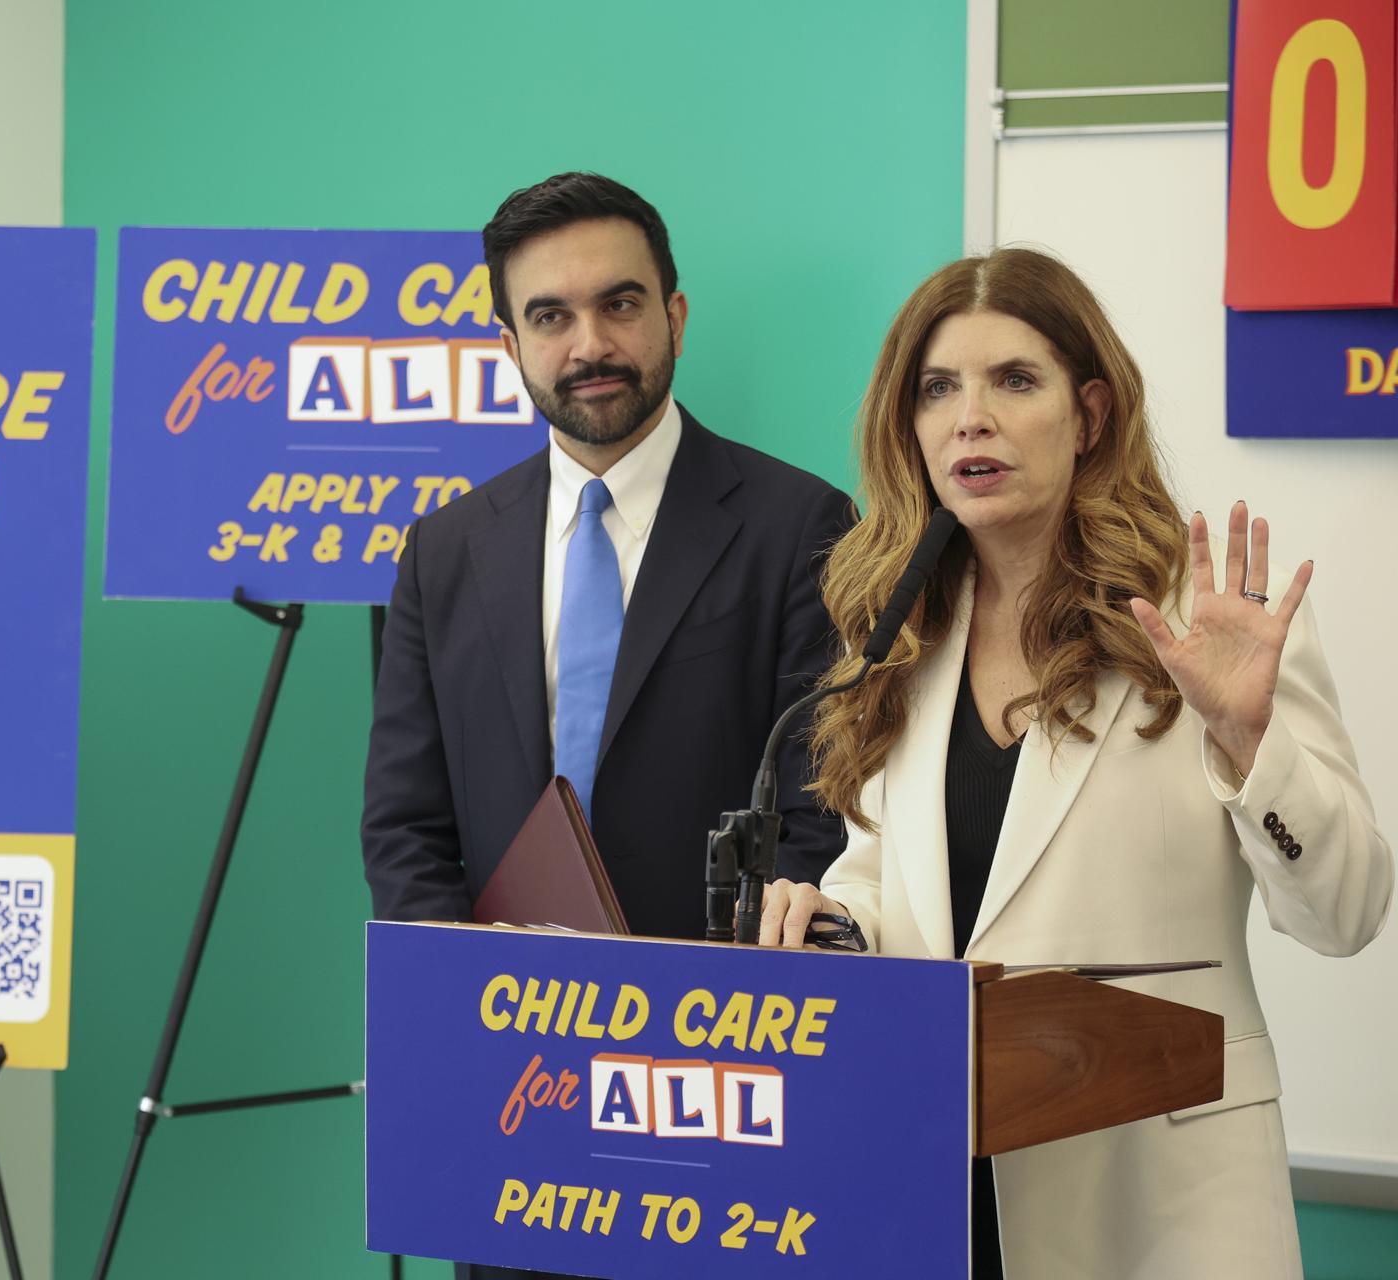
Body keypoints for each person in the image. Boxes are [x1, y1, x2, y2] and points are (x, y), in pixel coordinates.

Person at [761, 247, 1393, 1277]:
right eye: (938, 389)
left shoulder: (1206, 620)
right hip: (935, 1189)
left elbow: (1349, 909)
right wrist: (825, 923)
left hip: (1161, 1203)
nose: (971, 416)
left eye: (1014, 379)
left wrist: (1247, 740)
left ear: (1090, 413)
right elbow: (885, 889)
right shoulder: (900, 630)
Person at [362, 170, 852, 956]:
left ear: (675, 318)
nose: (589, 345)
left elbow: (821, 801)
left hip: (721, 1008)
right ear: (512, 348)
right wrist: (454, 982)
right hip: (501, 1008)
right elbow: (404, 823)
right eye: (551, 316)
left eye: (619, 305)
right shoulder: (443, 552)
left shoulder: (800, 525)